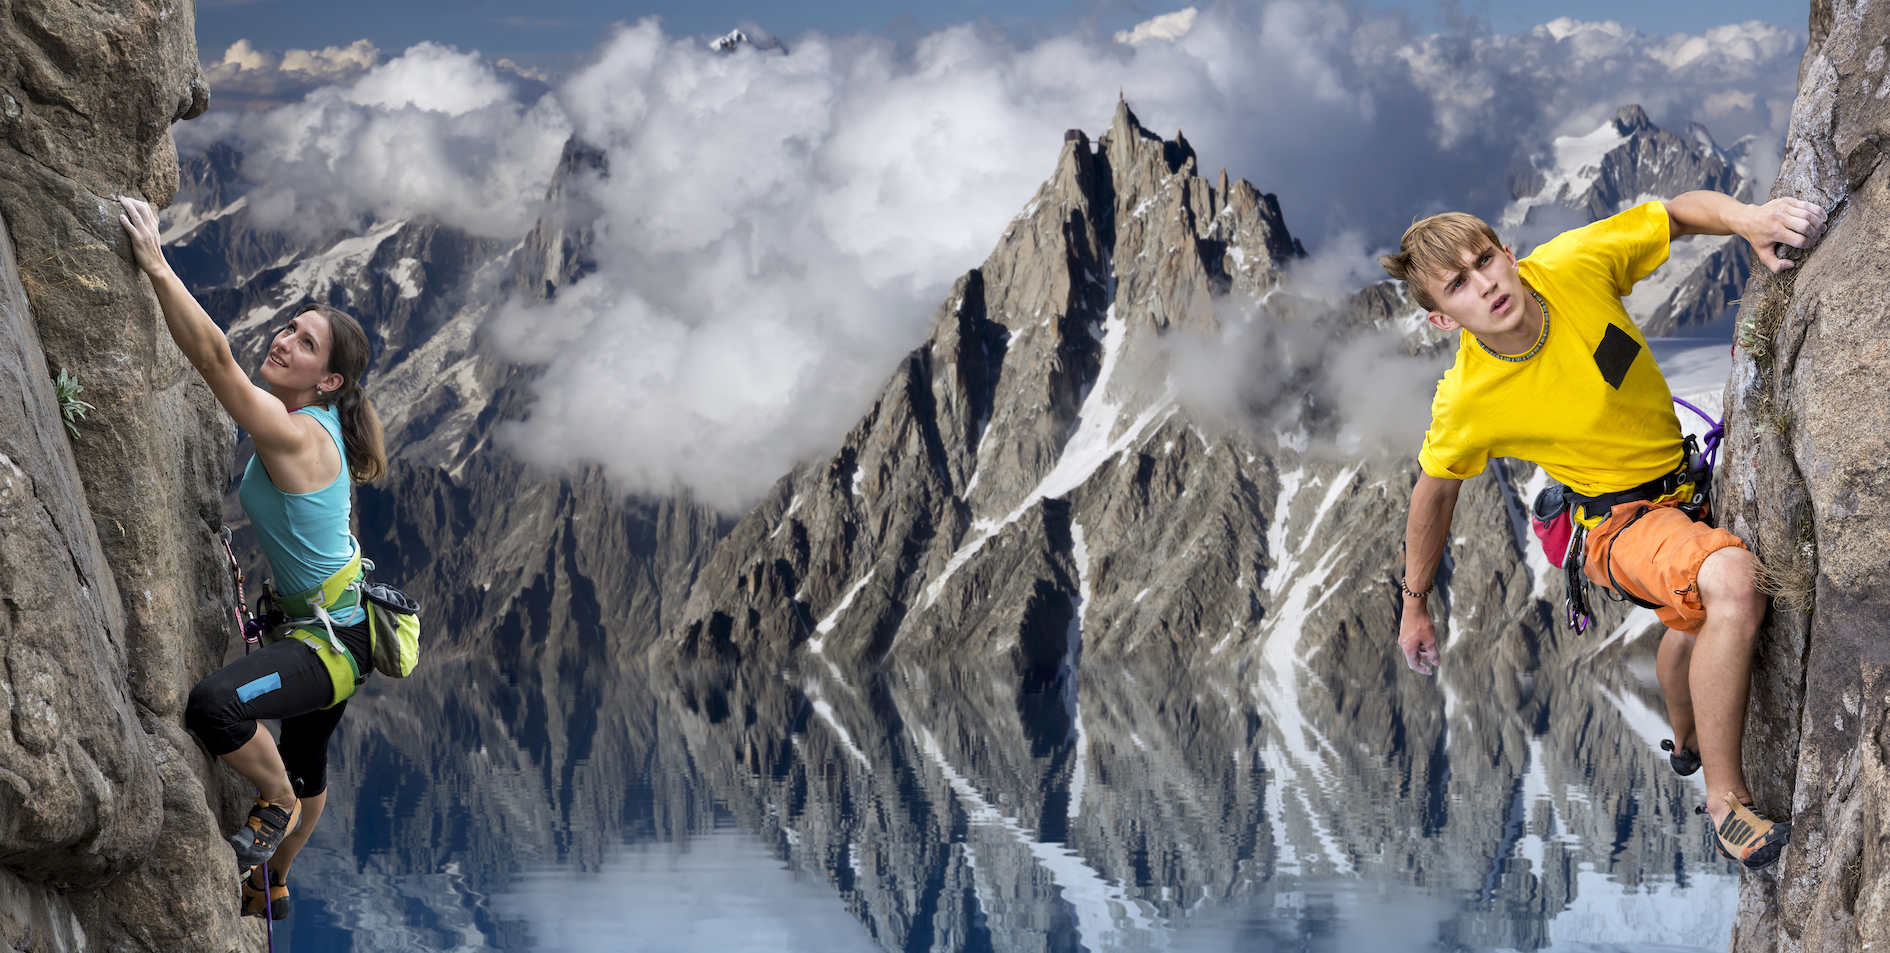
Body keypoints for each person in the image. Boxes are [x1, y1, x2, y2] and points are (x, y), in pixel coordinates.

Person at [1379, 190, 1826, 870]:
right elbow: (1433, 491)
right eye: (1459, 285)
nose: (1486, 285)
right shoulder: (1468, 399)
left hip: (1682, 486)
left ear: (1509, 254)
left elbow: (1673, 213)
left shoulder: (1575, 265)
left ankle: (1684, 740)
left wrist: (1750, 221)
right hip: (1619, 526)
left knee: (1693, 626)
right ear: (1444, 318)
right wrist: (1415, 604)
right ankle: (1726, 802)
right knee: (1732, 580)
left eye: (1484, 261)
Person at [120, 196, 388, 918]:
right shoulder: (321, 420)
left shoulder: (298, 432)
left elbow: (213, 360)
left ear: (327, 380)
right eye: (291, 327)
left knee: (217, 708)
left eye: (304, 344)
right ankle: (275, 878)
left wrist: (154, 263)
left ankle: (272, 805)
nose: (283, 340)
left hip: (330, 643)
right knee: (310, 762)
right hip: (343, 625)